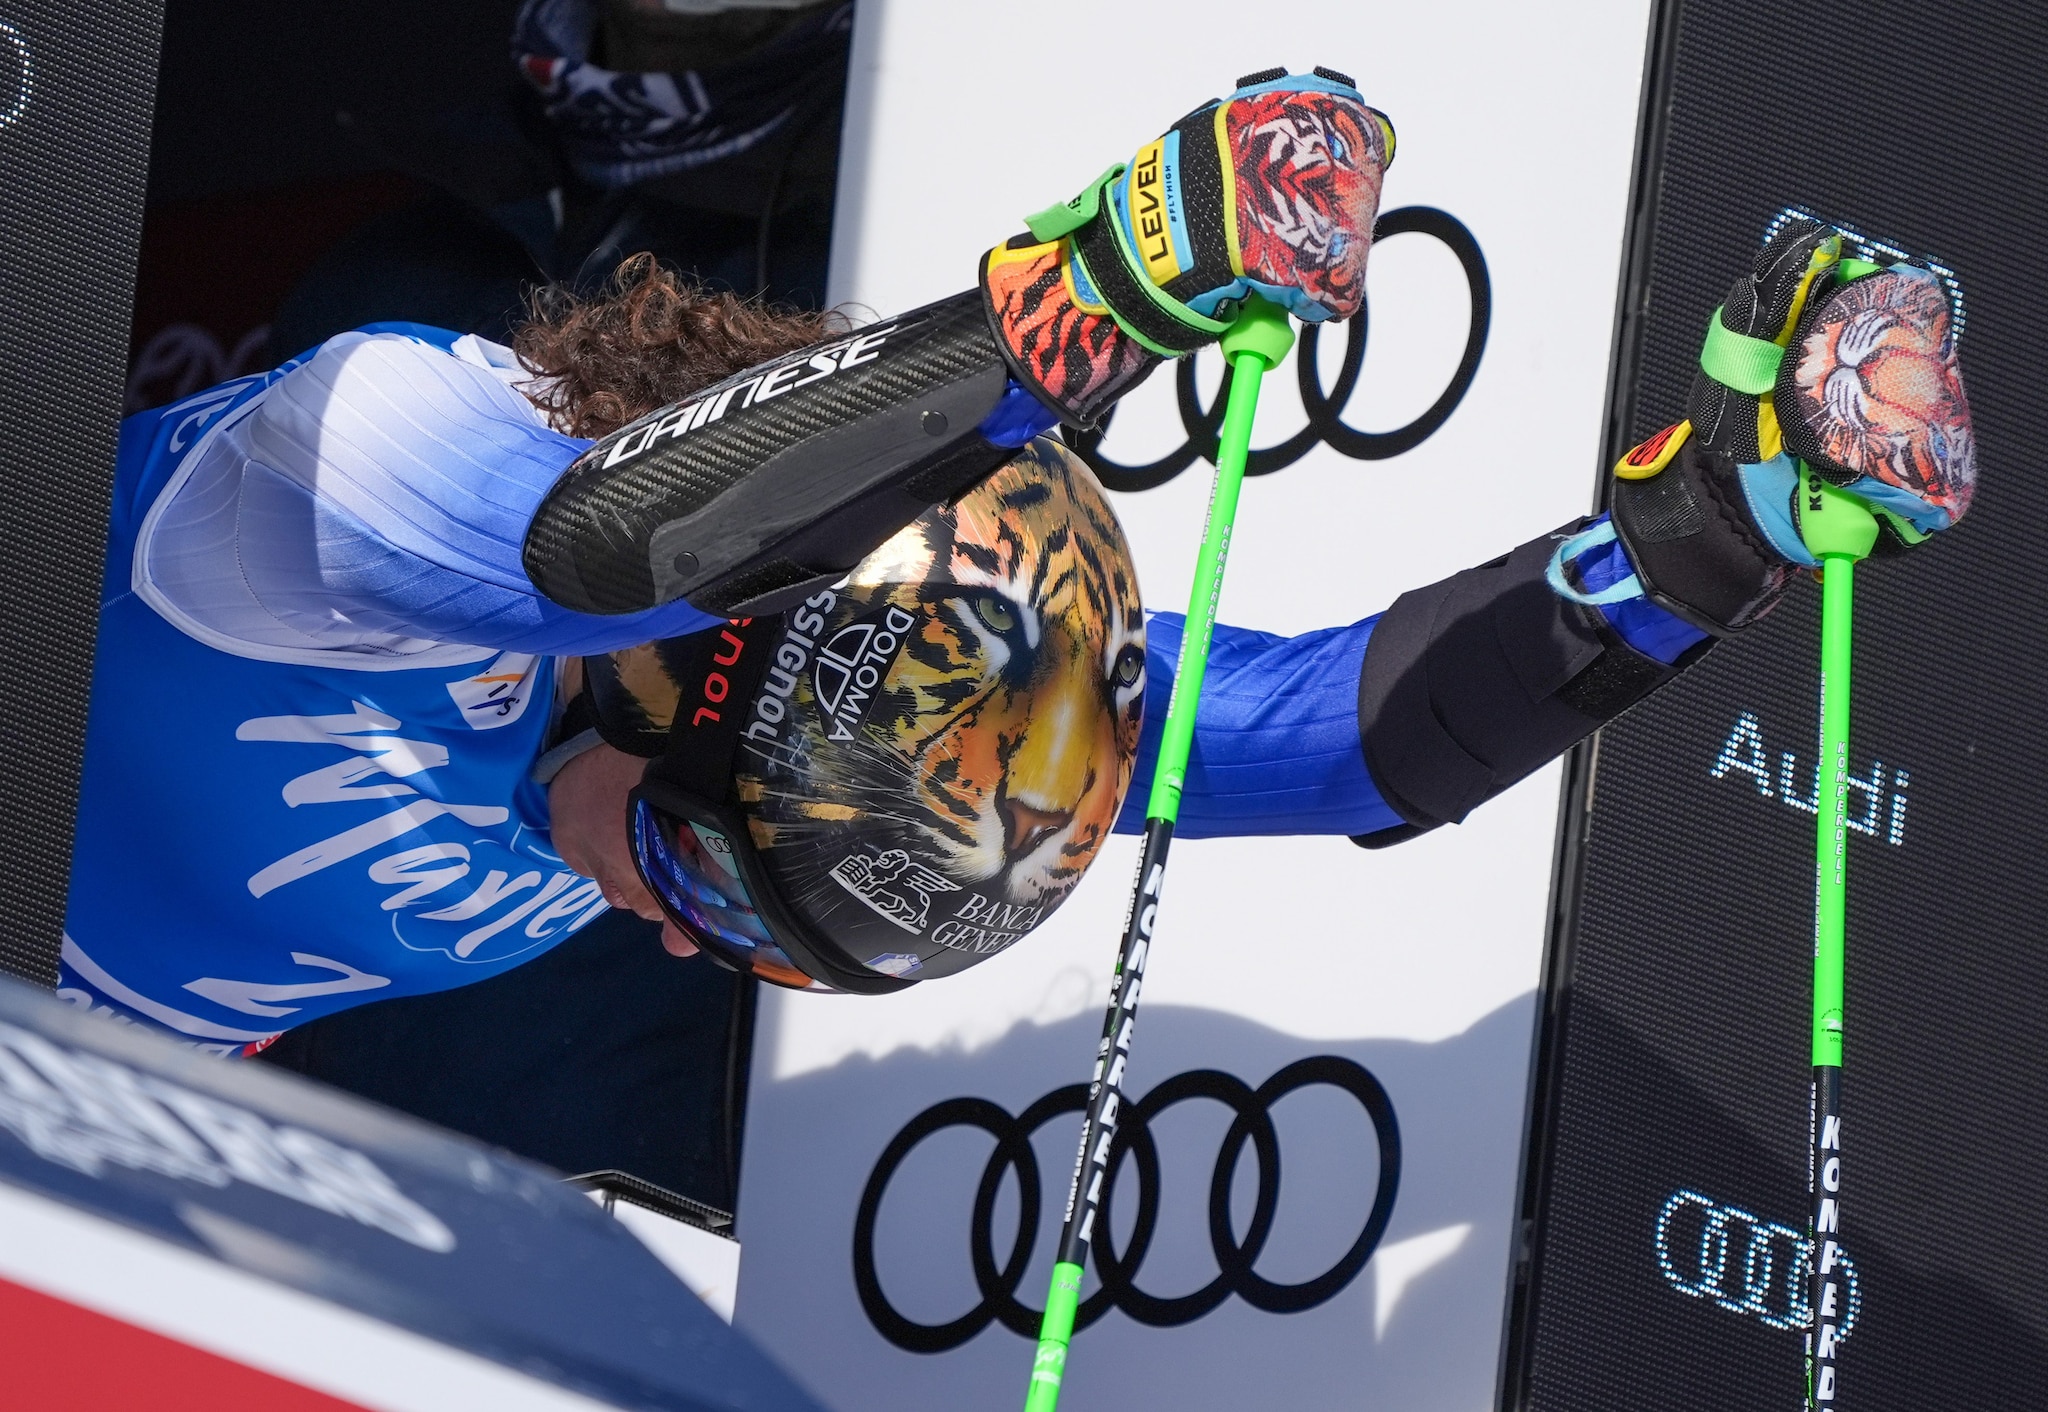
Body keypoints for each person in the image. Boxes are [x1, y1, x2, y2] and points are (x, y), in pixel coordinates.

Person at [62, 71, 1975, 1045]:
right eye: (708, 873)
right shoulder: (344, 486)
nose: (679, 934)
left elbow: (1330, 747)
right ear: (698, 673)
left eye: (743, 924)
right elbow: (592, 548)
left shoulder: (873, 729)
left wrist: (1710, 539)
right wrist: (1099, 292)